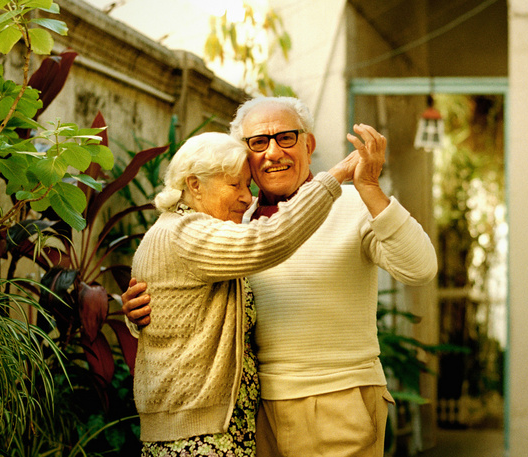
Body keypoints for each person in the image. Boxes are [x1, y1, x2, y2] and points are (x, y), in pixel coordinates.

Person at [124, 97, 437, 457]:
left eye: (286, 137)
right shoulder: (231, 220)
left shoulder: (353, 204)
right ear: (243, 154)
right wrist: (143, 311)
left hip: (337, 398)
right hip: (253, 414)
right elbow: (195, 299)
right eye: (258, 142)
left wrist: (368, 188)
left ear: (309, 144)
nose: (273, 152)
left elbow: (420, 268)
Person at [125, 131, 363, 456]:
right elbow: (268, 240)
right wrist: (332, 179)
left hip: (216, 430)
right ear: (194, 185)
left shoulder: (191, 231)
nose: (247, 197)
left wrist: (136, 315)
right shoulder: (185, 233)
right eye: (235, 184)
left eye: (248, 185)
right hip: (196, 439)